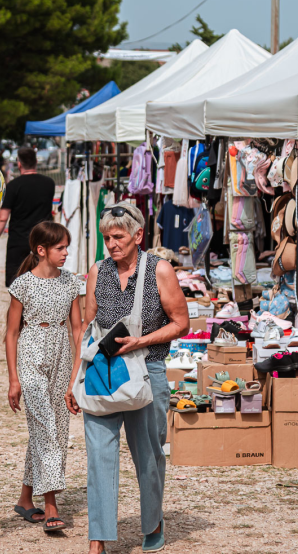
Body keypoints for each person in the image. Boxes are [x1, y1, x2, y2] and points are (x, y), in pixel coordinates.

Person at [66, 201, 189, 554]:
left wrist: (141, 341)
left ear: (138, 235)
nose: (112, 244)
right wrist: (75, 379)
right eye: (107, 238)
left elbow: (182, 323)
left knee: (148, 454)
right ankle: (99, 537)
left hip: (146, 373)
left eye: (118, 236)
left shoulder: (160, 270)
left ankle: (152, 523)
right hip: (103, 373)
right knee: (99, 456)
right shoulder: (97, 271)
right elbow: (88, 330)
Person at [5, 221, 81, 533]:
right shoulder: (22, 284)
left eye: (66, 247)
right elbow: (10, 333)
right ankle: (50, 504)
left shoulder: (72, 282)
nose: (65, 253)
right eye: (59, 248)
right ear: (41, 250)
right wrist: (13, 379)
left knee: (55, 429)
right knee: (46, 428)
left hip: (63, 355)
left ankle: (25, 499)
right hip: (31, 354)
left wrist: (76, 375)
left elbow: (78, 328)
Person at [0, 147, 56, 287]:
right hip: (43, 240)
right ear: (36, 162)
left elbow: (2, 218)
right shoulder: (49, 184)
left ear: (19, 164)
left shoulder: (13, 186)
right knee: (43, 285)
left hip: (19, 241)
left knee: (17, 286)